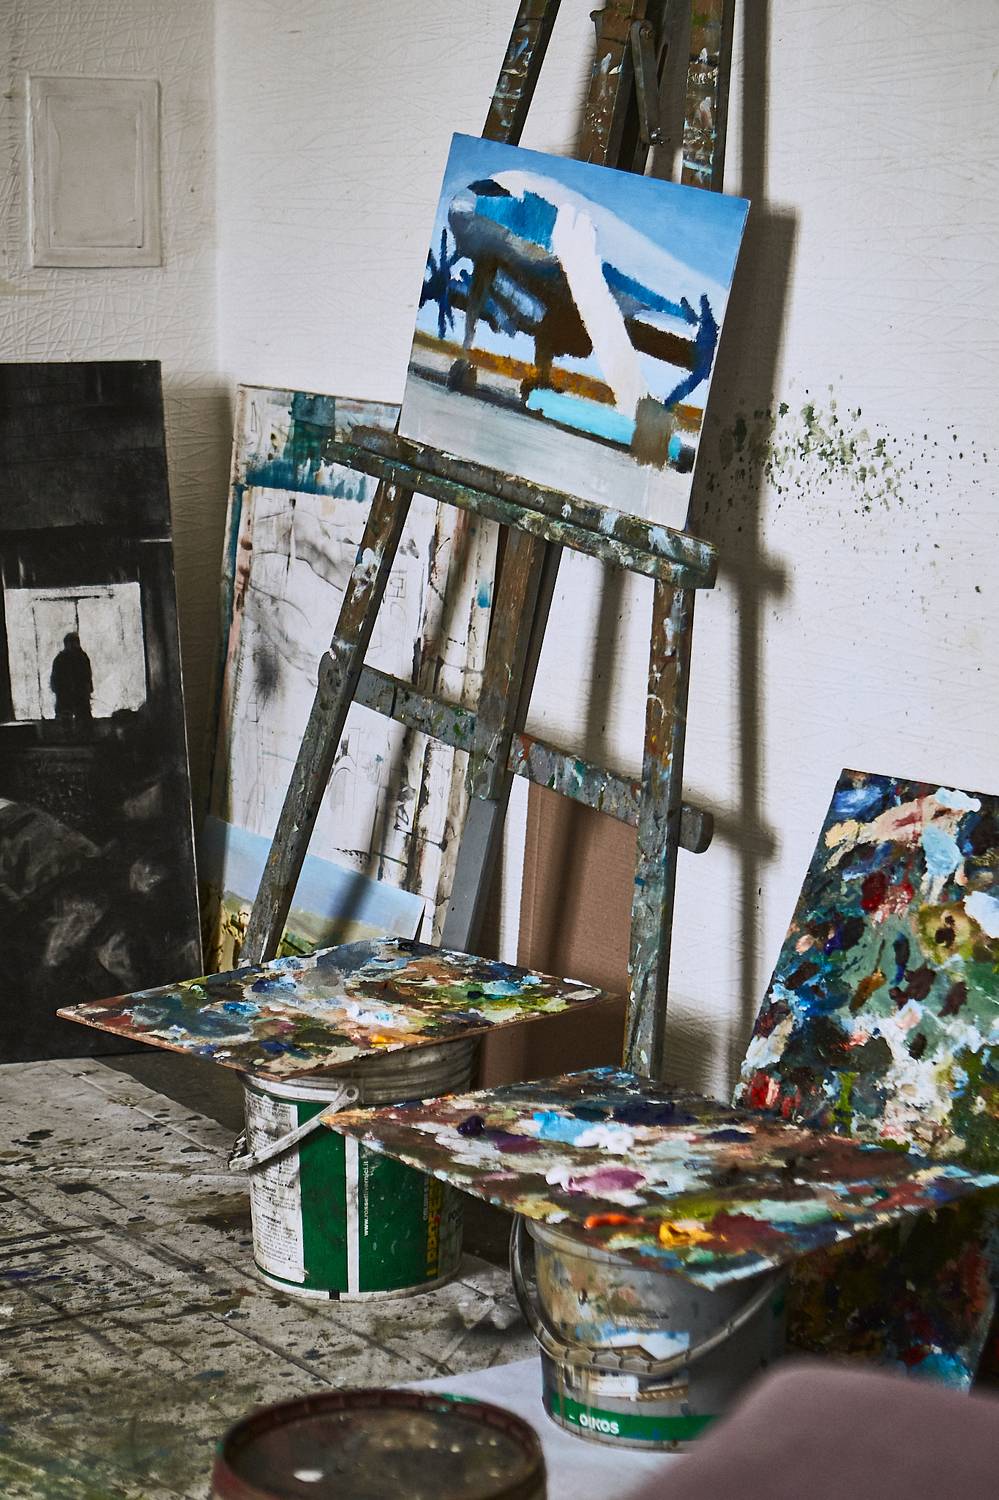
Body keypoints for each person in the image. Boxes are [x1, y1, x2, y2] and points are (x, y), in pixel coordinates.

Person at [50, 632, 94, 722]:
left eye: (75, 642)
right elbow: (55, 679)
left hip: (80, 695)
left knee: (84, 720)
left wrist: (87, 689)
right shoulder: (61, 659)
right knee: (65, 720)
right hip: (65, 695)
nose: (73, 645)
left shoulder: (82, 658)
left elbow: (87, 676)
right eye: (71, 642)